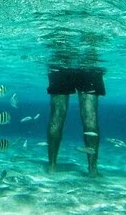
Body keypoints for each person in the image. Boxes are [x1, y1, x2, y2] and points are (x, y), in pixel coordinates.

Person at [45, 32, 105, 177]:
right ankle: (93, 170)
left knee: (57, 115)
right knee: (90, 117)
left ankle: (52, 166)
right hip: (89, 65)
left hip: (61, 62)